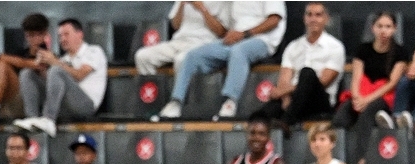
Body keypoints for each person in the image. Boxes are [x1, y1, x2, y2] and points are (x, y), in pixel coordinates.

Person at [156, 0, 285, 121]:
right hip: (236, 39)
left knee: (238, 52)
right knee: (192, 56)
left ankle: (229, 101)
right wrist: (233, 35)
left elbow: (274, 20)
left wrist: (245, 34)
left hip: (262, 40)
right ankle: (176, 101)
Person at [253, 2, 344, 126]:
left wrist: (284, 91)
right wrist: (285, 97)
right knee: (263, 114)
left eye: (318, 15)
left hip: (319, 101)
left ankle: (286, 122)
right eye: (309, 15)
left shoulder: (335, 47)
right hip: (291, 97)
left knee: (307, 73)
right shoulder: (293, 46)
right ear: (304, 18)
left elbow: (324, 81)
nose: (313, 19)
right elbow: (284, 79)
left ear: (326, 19)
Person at [21, 17, 108, 138]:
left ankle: (48, 119)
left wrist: (55, 62)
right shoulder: (63, 59)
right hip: (64, 105)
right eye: (60, 36)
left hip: (86, 105)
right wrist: (40, 68)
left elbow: (79, 75)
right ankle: (32, 118)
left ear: (79, 34)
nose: (62, 39)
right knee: (27, 74)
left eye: (66, 34)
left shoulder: (93, 51)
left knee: (56, 70)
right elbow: (53, 84)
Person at [333, 10, 407, 148]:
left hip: (384, 96)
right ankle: (337, 155)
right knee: (340, 117)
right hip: (361, 93)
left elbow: (392, 83)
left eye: (388, 27)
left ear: (394, 29)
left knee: (367, 114)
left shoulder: (400, 52)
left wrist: (367, 100)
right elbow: (356, 77)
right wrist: (356, 98)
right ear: (373, 28)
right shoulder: (363, 49)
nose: (383, 31)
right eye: (380, 26)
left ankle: (362, 158)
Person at [0, 15, 55, 133]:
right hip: (16, 99)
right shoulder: (18, 54)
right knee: (1, 66)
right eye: (31, 35)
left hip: (42, 100)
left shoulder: (51, 57)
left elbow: (44, 74)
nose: (35, 39)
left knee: (26, 73)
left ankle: (32, 118)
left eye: (39, 35)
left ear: (45, 34)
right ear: (26, 35)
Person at [134, 2, 224, 76]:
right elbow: (175, 25)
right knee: (142, 56)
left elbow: (221, 32)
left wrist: (202, 9)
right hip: (179, 41)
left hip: (203, 43)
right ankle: (158, 89)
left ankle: (179, 93)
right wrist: (181, 5)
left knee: (181, 60)